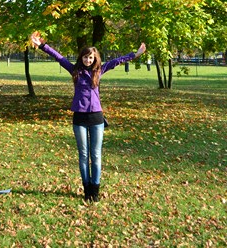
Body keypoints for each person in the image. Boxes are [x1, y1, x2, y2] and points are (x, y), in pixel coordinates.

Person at [31, 33, 146, 202]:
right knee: (83, 155)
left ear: (94, 58)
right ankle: (86, 190)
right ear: (81, 58)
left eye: (90, 57)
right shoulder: (75, 70)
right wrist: (42, 45)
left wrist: (135, 55)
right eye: (85, 57)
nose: (88, 60)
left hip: (96, 118)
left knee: (96, 155)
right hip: (79, 118)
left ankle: (95, 190)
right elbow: (59, 57)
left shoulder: (99, 70)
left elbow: (117, 61)